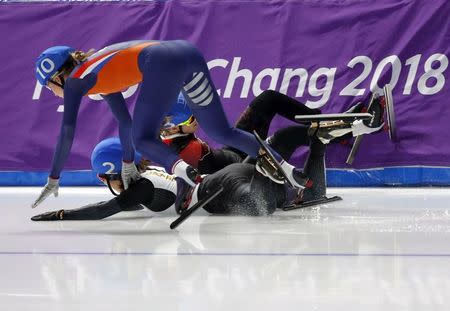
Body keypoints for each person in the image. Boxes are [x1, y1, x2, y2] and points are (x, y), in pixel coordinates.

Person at [32, 41, 309, 208]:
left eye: (48, 87)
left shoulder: (77, 81)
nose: (51, 92)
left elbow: (66, 133)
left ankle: (186, 176)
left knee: (144, 137)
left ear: (58, 77)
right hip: (188, 54)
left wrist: (54, 178)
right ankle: (287, 168)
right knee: (222, 131)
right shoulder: (95, 75)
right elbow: (124, 121)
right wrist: (128, 163)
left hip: (161, 62)